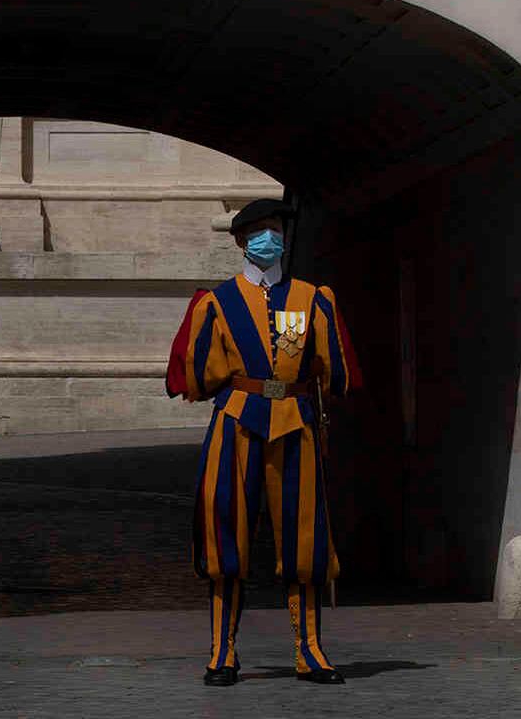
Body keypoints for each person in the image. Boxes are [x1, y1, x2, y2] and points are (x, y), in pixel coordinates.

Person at [166, 198, 361, 687]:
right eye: (258, 232)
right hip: (236, 425)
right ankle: (222, 652)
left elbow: (332, 371)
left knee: (305, 538)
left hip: (295, 422)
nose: (267, 238)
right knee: (225, 535)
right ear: (239, 242)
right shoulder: (218, 302)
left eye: (274, 229)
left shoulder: (309, 299)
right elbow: (196, 378)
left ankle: (309, 650)